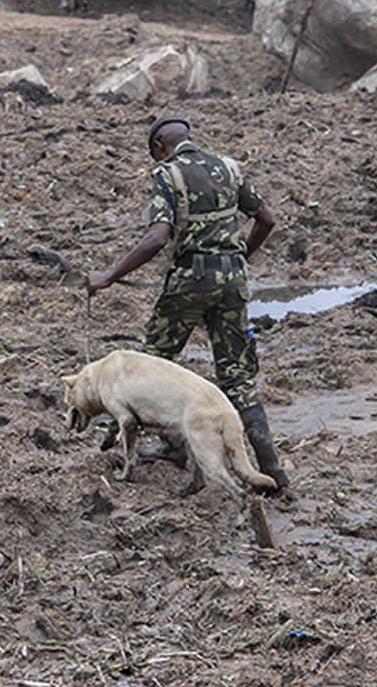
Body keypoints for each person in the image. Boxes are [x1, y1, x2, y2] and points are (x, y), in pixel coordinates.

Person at [87, 115, 288, 492]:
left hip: (188, 283)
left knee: (151, 366)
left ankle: (174, 446)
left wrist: (109, 276)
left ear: (160, 146)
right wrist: (239, 255)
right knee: (239, 377)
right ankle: (272, 469)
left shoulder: (168, 174)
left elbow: (157, 237)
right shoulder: (229, 167)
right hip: (233, 284)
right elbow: (267, 219)